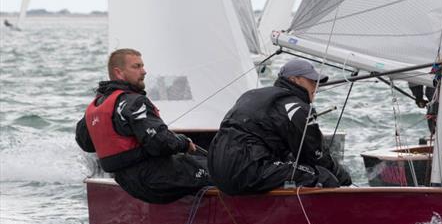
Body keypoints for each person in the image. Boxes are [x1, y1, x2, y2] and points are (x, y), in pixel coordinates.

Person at [76, 48, 211, 203]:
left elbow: (85, 143)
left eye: (142, 66)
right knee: (220, 171)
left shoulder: (96, 106)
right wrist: (183, 143)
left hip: (127, 183)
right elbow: (160, 144)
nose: (144, 71)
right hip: (153, 179)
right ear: (119, 72)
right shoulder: (135, 102)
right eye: (136, 66)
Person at [208, 59, 352, 194]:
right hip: (246, 171)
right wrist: (342, 176)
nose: (316, 86)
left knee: (291, 167)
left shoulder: (252, 95)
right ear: (293, 80)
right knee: (324, 176)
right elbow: (315, 154)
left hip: (216, 170)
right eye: (311, 81)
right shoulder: (295, 107)